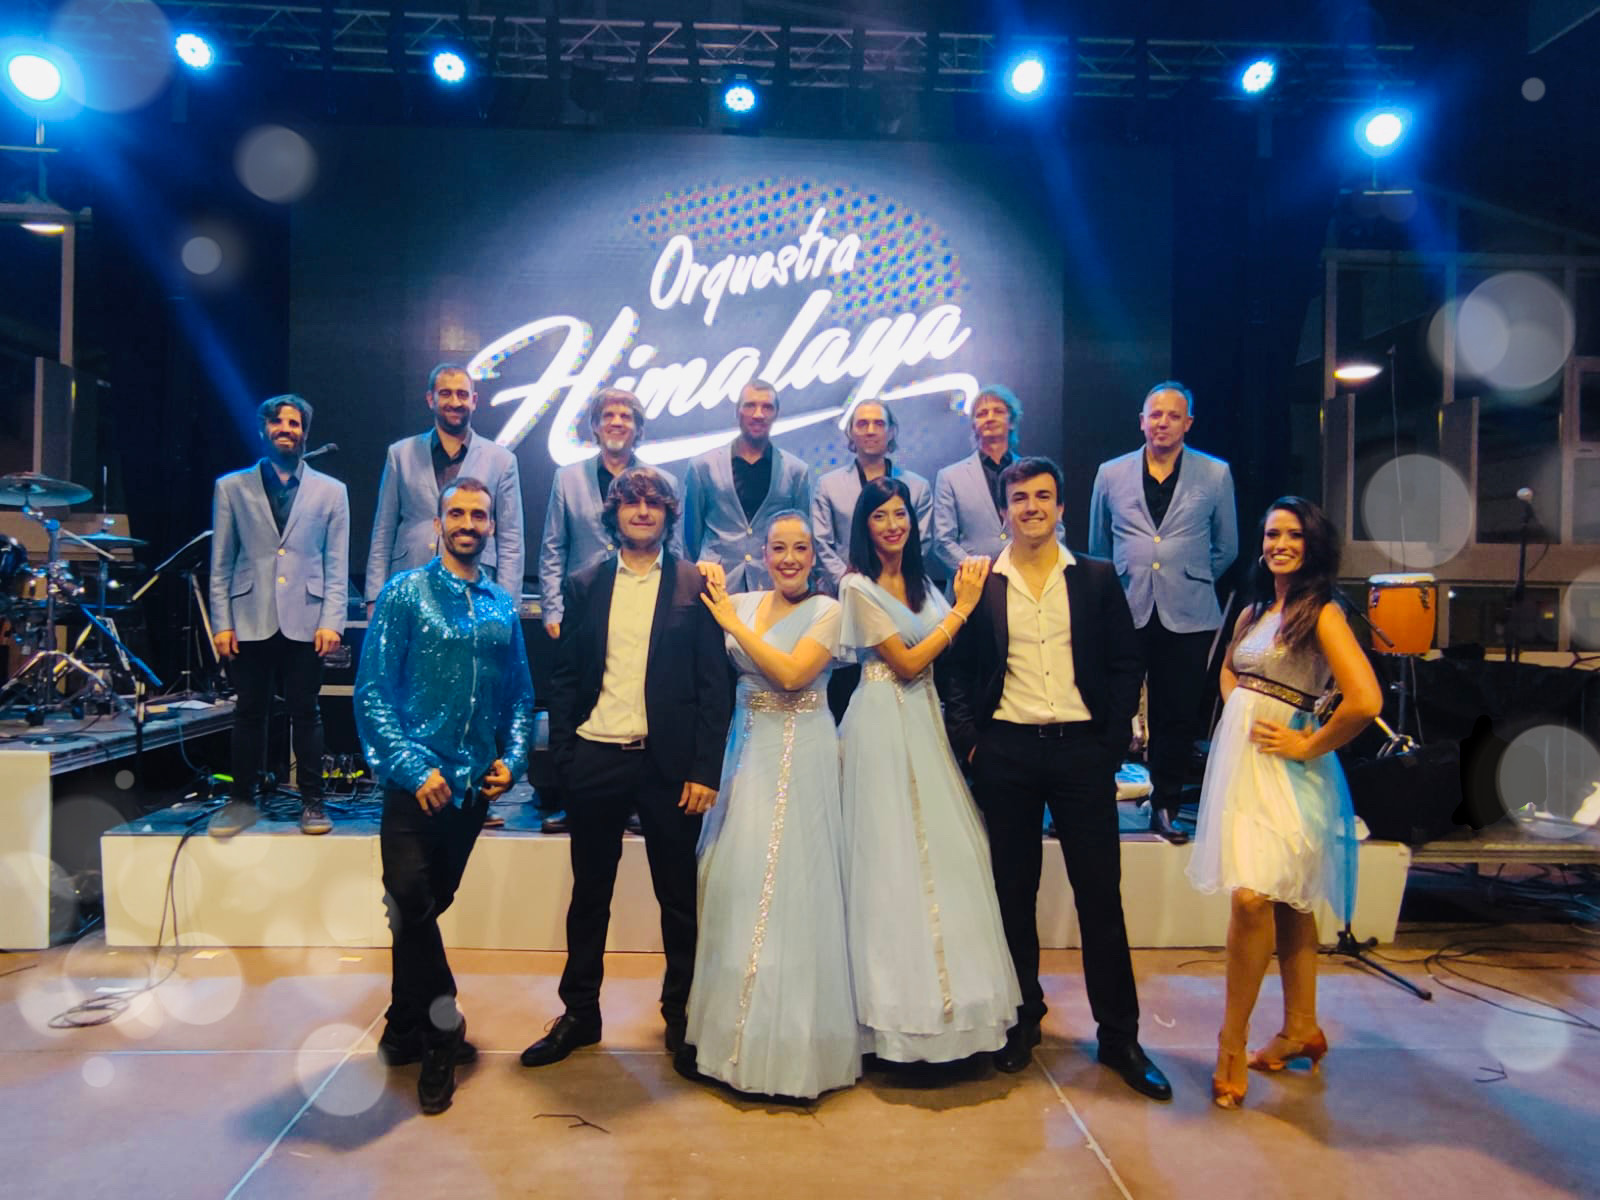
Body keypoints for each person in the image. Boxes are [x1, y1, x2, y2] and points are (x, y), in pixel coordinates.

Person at [944, 457, 1171, 1099]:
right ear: (1004, 510)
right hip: (1007, 754)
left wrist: (1108, 744)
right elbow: (957, 672)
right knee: (1012, 896)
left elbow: (1126, 664)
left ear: (1062, 506)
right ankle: (1022, 1021)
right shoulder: (981, 582)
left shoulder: (1094, 577)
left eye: (1043, 496)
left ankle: (1119, 1037)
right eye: (1020, 498)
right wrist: (973, 744)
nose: (1032, 507)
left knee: (1100, 897)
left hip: (1081, 755)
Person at [522, 466, 733, 1068]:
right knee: (590, 896)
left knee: (679, 900)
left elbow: (713, 687)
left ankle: (682, 1017)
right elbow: (565, 680)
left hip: (670, 769)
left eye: (653, 503)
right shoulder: (585, 583)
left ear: (668, 514)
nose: (642, 511)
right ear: (613, 513)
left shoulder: (695, 584)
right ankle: (580, 1014)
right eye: (631, 502)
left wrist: (705, 770)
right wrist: (566, 760)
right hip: (596, 757)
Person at [1186, 497, 1381, 1110]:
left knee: (1253, 898)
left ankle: (1231, 1041)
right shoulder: (1253, 611)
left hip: (1292, 773)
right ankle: (1301, 1028)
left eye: (1293, 534)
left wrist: (1305, 743)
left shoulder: (1321, 613)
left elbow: (1365, 700)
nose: (1280, 544)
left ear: (1313, 544)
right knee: (1288, 899)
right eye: (1272, 533)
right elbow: (1229, 671)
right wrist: (1241, 705)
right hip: (1244, 769)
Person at [355, 477, 535, 1115]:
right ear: (437, 524)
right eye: (456, 513)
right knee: (409, 898)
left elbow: (519, 698)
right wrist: (410, 767)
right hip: (416, 787)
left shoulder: (502, 606)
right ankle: (441, 1030)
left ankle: (403, 1020)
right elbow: (373, 691)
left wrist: (513, 760)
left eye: (478, 515)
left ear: (491, 527)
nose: (467, 523)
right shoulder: (405, 593)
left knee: (420, 910)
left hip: (471, 793)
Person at [837, 477, 1020, 1064]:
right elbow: (909, 662)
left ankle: (953, 1013)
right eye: (880, 516)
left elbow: (945, 660)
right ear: (864, 526)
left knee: (945, 858)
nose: (893, 525)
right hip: (881, 721)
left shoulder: (925, 584)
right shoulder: (856, 586)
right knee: (889, 859)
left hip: (926, 722)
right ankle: (888, 1015)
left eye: (901, 514)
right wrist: (963, 609)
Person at [684, 511, 859, 1099]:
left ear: (813, 556)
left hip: (804, 751)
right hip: (747, 751)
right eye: (779, 548)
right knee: (736, 878)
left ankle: (795, 1049)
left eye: (800, 549)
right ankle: (732, 1041)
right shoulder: (744, 600)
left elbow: (790, 675)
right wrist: (706, 573)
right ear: (762, 553)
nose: (789, 558)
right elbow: (693, 590)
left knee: (797, 885)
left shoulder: (828, 610)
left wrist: (732, 621)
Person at [1089, 381, 1238, 843]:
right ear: (1142, 421)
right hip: (1126, 607)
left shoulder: (1215, 474)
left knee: (1177, 714)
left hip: (1188, 612)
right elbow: (1098, 544)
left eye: (1174, 415)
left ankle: (1166, 805)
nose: (1163, 423)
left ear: (1188, 423)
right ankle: (1094, 800)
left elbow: (1227, 547)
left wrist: (1188, 574)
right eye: (1155, 414)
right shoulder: (1110, 473)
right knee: (1112, 708)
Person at [208, 394, 349, 838]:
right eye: (278, 422)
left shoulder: (332, 491)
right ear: (263, 430)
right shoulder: (232, 487)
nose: (286, 429)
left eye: (294, 423)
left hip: (307, 618)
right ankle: (242, 802)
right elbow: (221, 561)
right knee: (250, 712)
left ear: (305, 432)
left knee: (306, 712)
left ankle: (313, 802)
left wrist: (332, 621)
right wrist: (222, 623)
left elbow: (336, 563)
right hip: (250, 615)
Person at [366, 363, 524, 615]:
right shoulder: (400, 454)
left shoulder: (502, 460)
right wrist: (375, 597)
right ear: (431, 399)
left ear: (474, 401)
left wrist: (507, 606)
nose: (455, 402)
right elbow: (383, 531)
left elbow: (511, 542)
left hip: (477, 589)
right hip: (410, 582)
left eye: (462, 394)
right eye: (446, 393)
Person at [536, 388, 683, 642]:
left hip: (644, 601)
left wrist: (674, 608)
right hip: (582, 604)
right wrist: (552, 609)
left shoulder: (664, 481)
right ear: (595, 426)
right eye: (608, 415)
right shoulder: (567, 479)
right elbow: (553, 549)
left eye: (626, 416)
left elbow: (674, 550)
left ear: (638, 428)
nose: (617, 422)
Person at [683, 381, 812, 592]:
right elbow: (691, 538)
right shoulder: (702, 466)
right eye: (750, 405)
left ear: (776, 414)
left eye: (767, 407)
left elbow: (802, 536)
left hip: (771, 584)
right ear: (738, 411)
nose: (758, 414)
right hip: (715, 583)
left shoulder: (796, 470)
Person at [930, 385, 1022, 576]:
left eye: (998, 411)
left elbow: (1054, 529)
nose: (990, 418)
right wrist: (980, 574)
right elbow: (943, 541)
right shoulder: (950, 477)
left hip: (1027, 580)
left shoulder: (1035, 474)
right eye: (982, 413)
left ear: (1012, 421)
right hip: (973, 584)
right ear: (973, 424)